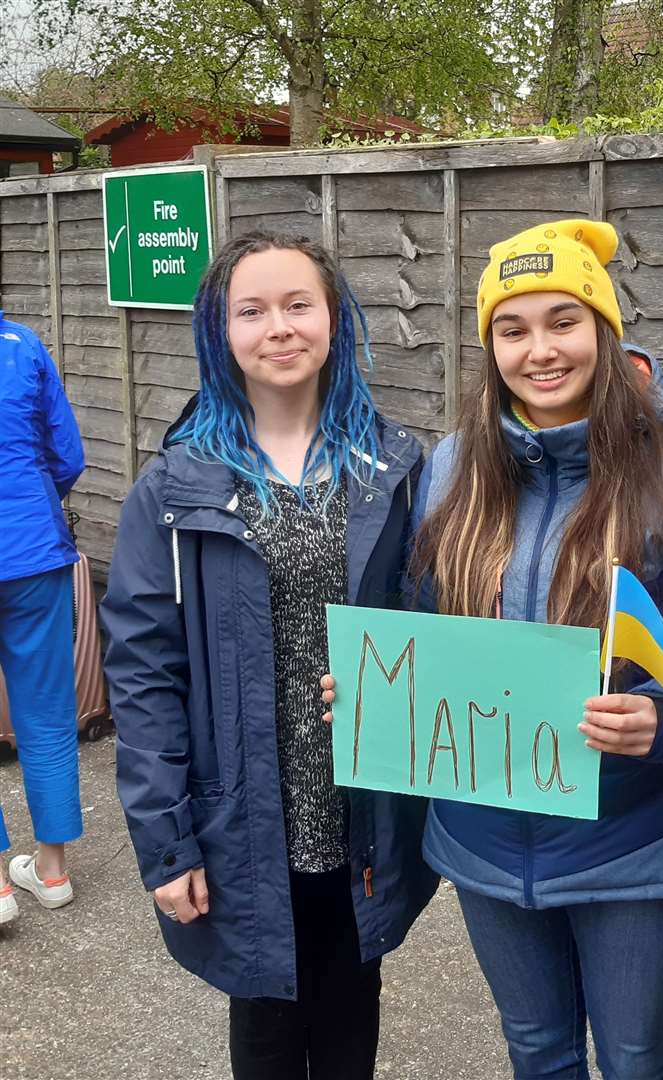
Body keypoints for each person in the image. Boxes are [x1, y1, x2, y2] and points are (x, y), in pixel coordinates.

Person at [325, 218, 663, 1079]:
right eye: (511, 329)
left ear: (604, 331)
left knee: (633, 1057)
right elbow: (421, 627)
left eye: (562, 322)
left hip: (633, 840)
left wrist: (659, 724)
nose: (539, 350)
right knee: (537, 1052)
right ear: (488, 348)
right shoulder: (447, 470)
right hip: (481, 840)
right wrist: (373, 692)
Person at [101, 231, 437, 1079]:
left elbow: (441, 629)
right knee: (267, 1034)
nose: (278, 328)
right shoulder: (176, 488)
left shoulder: (393, 471)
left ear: (335, 320)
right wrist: (166, 844)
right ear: (220, 332)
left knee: (353, 1014)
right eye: (251, 310)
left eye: (298, 305)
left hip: (361, 817)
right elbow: (144, 677)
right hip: (243, 824)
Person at [0, 313, 85, 925]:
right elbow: (69, 456)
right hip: (33, 554)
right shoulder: (23, 345)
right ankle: (51, 871)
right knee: (47, 711)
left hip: (30, 547)